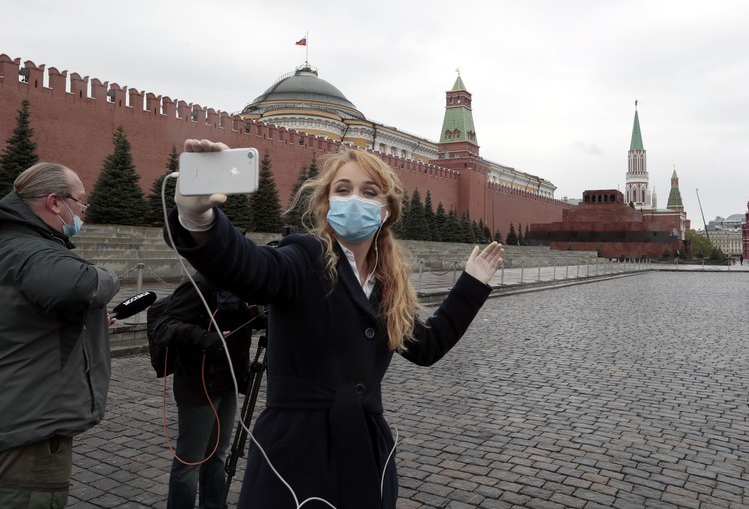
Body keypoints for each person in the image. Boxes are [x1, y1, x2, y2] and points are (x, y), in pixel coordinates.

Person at [165, 140, 504, 508]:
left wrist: (471, 284)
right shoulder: (303, 257)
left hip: (364, 448)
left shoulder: (385, 283)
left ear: (386, 210)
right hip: (296, 452)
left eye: (369, 191)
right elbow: (251, 267)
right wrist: (199, 220)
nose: (353, 198)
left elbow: (427, 346)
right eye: (342, 189)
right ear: (327, 204)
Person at [0, 162, 120, 507]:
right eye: (80, 203)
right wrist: (104, 274)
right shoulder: (30, 250)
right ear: (55, 202)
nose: (82, 212)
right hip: (26, 432)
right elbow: (81, 284)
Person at [152, 271, 257, 509]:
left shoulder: (239, 281)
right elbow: (165, 326)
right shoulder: (200, 284)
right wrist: (206, 338)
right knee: (190, 460)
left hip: (228, 380)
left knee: (218, 455)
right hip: (198, 383)